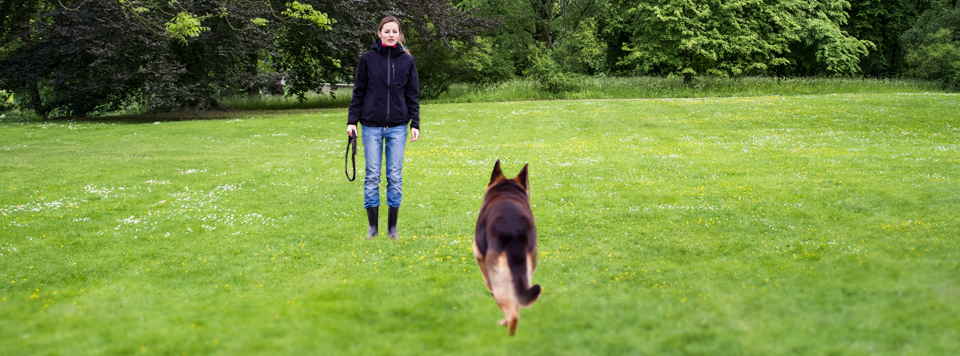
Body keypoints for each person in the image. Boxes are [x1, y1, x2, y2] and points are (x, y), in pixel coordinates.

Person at [347, 16, 420, 240]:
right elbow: (358, 91)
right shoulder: (367, 59)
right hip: (371, 126)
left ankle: (392, 229)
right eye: (386, 31)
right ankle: (373, 228)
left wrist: (415, 123)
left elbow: (412, 95)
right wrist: (352, 121)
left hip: (398, 126)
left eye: (394, 31)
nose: (390, 34)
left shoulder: (407, 62)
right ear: (379, 33)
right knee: (372, 176)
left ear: (399, 34)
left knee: (395, 176)